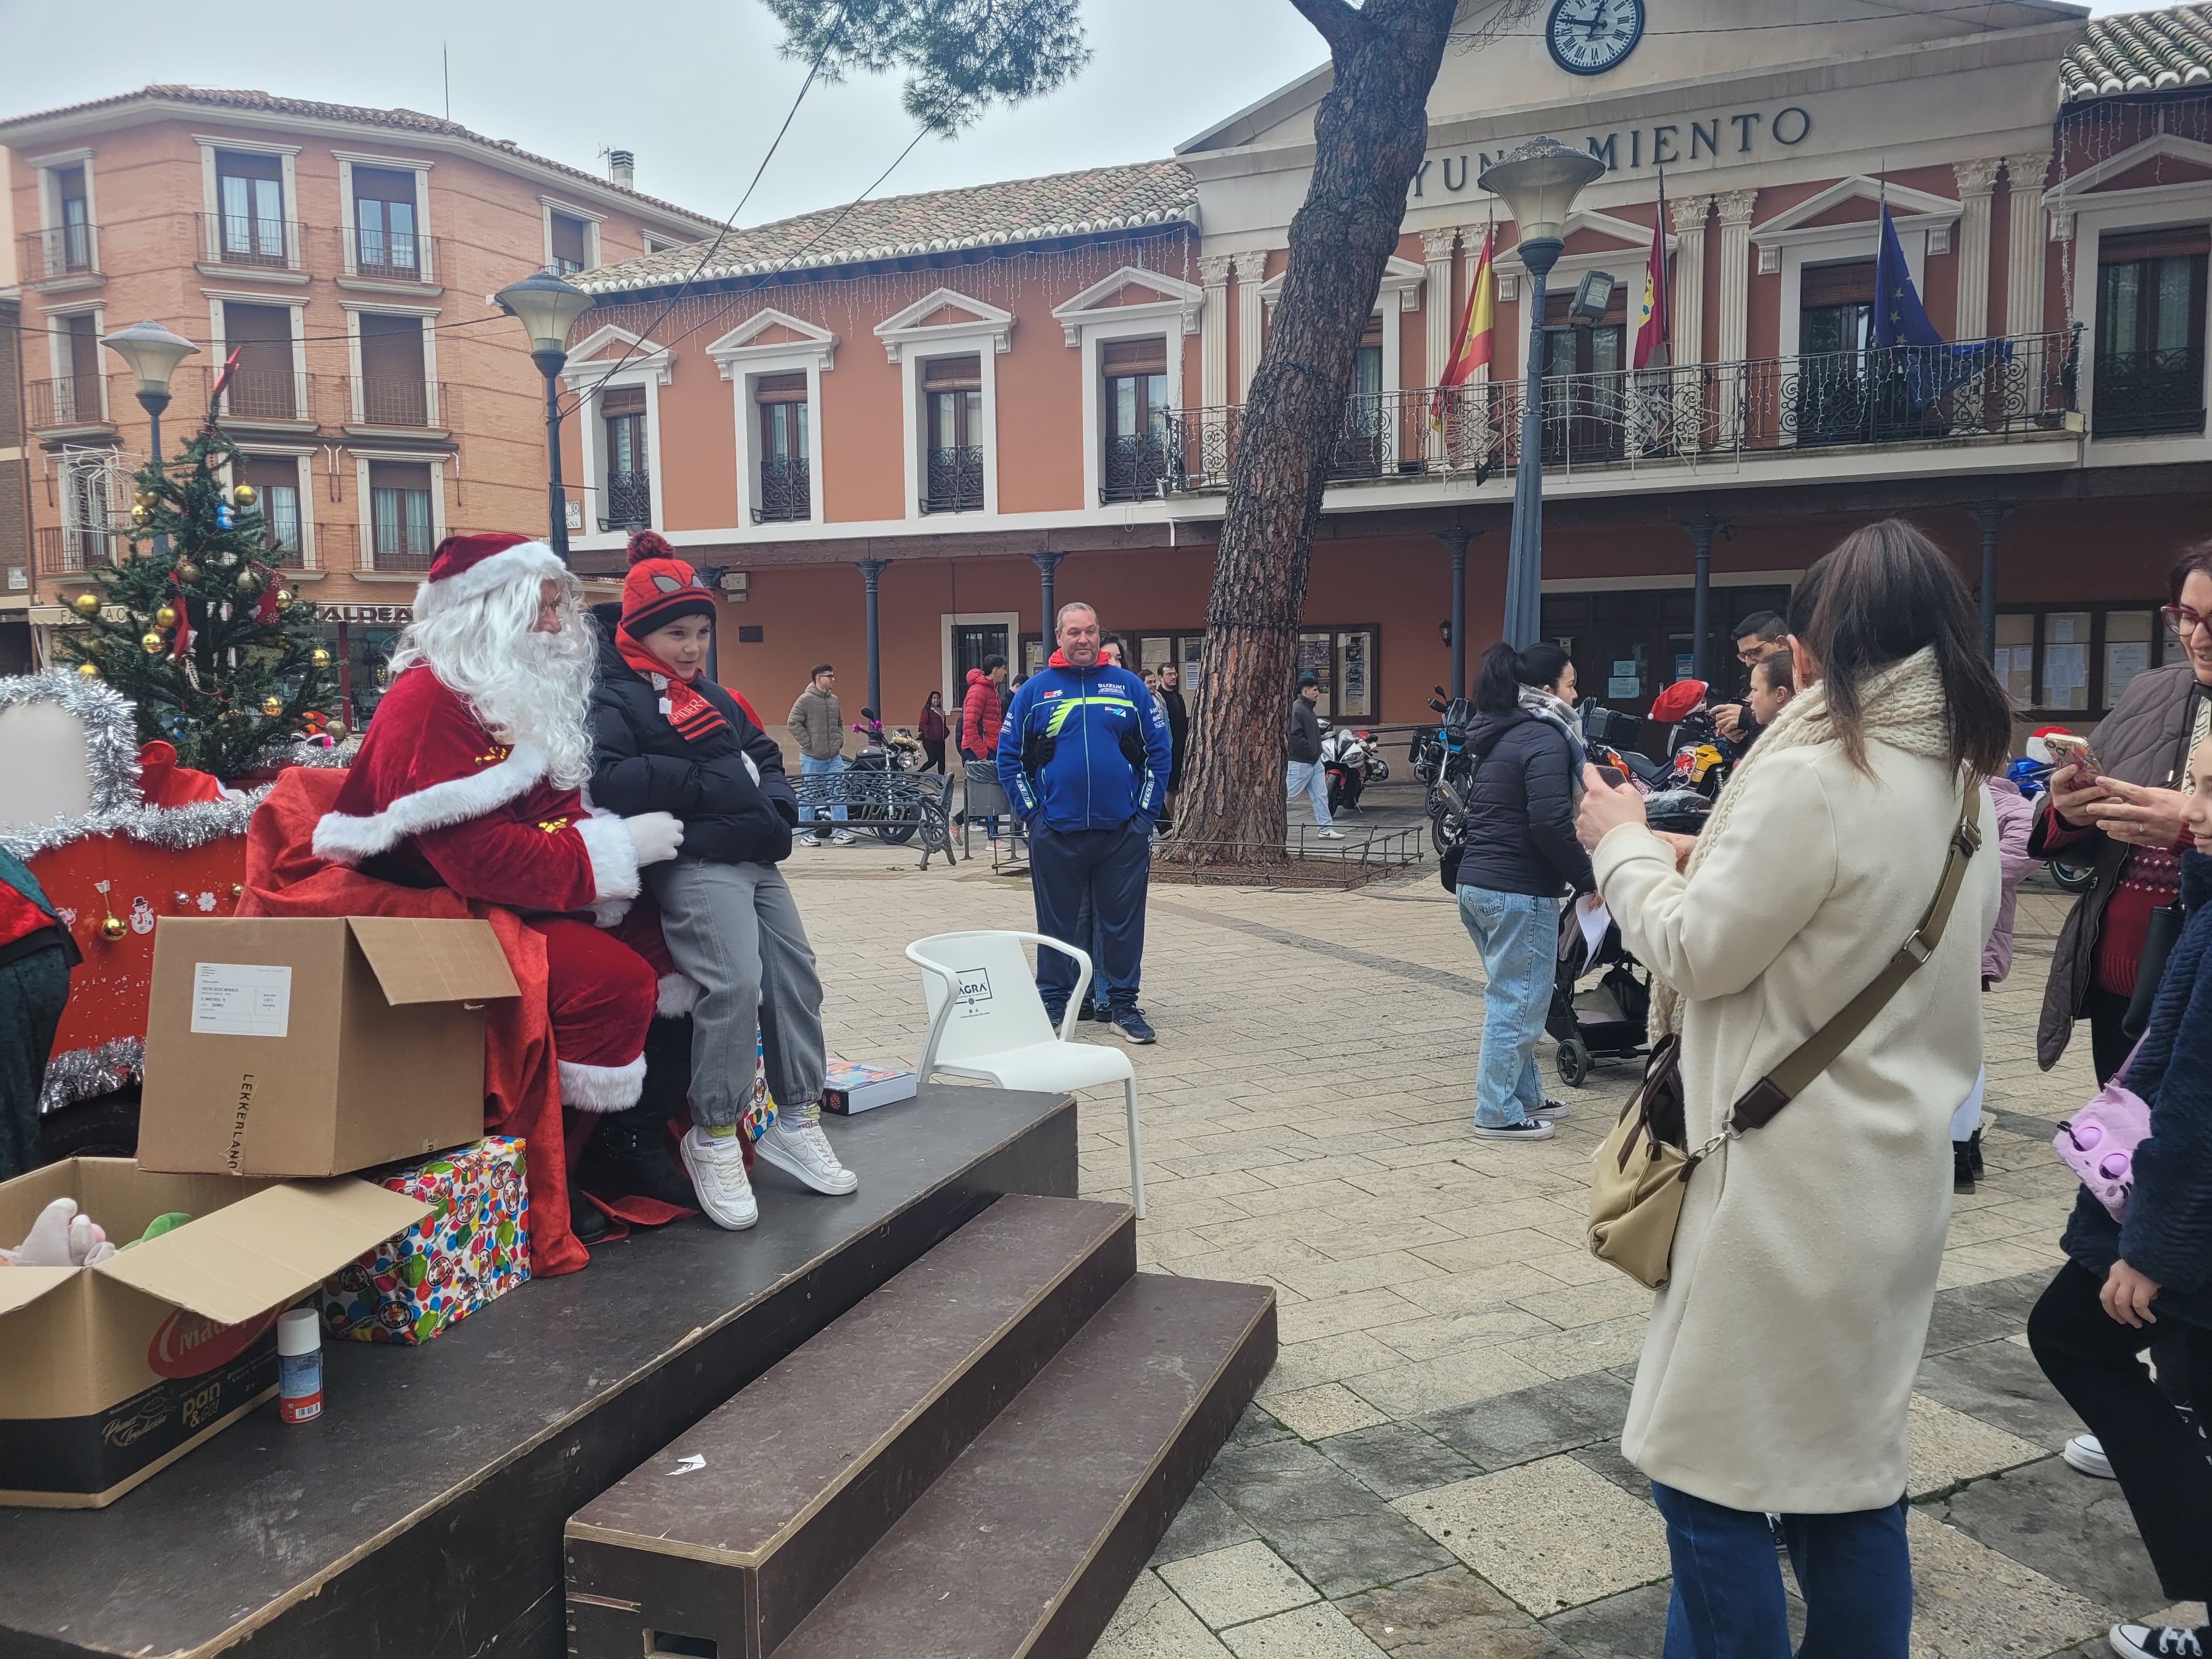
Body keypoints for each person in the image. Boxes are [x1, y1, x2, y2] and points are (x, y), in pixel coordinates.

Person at [1572, 520, 2007, 1659]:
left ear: (1821, 647)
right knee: (1845, 1483)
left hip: (1777, 1186)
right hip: (1892, 1184)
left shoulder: (1819, 771)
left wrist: (1622, 844)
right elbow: (1832, 924)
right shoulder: (1961, 787)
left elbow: (1702, 954)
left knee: (1705, 1482)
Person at [307, 531, 681, 1263]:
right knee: (614, 983)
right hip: (432, 902)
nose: (557, 625)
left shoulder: (517, 691)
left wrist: (605, 864)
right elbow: (478, 861)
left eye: (556, 607)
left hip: (521, 889)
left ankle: (629, 1138)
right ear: (489, 614)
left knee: (677, 946)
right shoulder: (429, 704)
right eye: (540, 609)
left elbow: (555, 810)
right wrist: (611, 854)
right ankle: (553, 1169)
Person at [590, 537, 857, 1229]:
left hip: (754, 856)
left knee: (797, 975)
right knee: (735, 983)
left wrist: (776, 810)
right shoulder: (612, 695)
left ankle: (797, 1117)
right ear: (640, 630)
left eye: (702, 632)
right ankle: (712, 1135)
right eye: (677, 632)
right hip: (696, 861)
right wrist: (713, 787)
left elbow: (764, 755)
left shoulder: (718, 695)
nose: (692, 646)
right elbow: (611, 777)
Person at [2027, 735, 2212, 1659]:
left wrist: (2150, 1240)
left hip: (2180, 1201)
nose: (2186, 809)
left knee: (2071, 1333)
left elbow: (2196, 1093)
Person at [2034, 542, 2212, 1081]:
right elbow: (2058, 829)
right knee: (2118, 1148)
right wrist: (2069, 810)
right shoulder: (2147, 693)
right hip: (2120, 982)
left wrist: (2185, 830)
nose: (2198, 638)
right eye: (2187, 616)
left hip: (2198, 985)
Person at [997, 601, 1171, 1043]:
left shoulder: (1128, 687)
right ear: (1059, 637)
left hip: (1121, 832)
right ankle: (1054, 1005)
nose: (1083, 640)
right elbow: (1009, 759)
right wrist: (1034, 815)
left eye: (1090, 631)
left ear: (1099, 635)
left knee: (1123, 923)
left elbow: (1159, 753)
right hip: (1056, 830)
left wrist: (1145, 815)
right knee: (1057, 924)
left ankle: (1123, 1006)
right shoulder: (1035, 691)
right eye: (1074, 632)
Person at [1455, 642, 1592, 1143]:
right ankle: (1496, 1111)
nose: (1576, 695)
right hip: (1518, 891)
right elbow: (1550, 824)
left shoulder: (1502, 732)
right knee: (1519, 1002)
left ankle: (1525, 1096)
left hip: (1479, 884)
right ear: (1547, 689)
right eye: (1571, 684)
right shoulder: (1547, 737)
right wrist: (1589, 879)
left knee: (1516, 996)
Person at [0, 847, 77, 1181]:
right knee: (16, 1108)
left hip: (14, 962)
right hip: (40, 953)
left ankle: (17, 1208)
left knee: (10, 1115)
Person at [788, 663, 854, 848]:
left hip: (834, 757)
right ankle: (806, 834)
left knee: (839, 792)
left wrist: (839, 741)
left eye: (833, 676)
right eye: (829, 676)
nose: (833, 679)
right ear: (819, 679)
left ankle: (841, 833)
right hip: (812, 757)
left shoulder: (834, 700)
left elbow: (840, 723)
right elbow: (793, 723)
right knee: (809, 795)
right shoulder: (805, 700)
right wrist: (808, 743)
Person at [1712, 610, 1793, 745]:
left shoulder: (1809, 673)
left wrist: (1747, 718)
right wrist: (1739, 738)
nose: (1749, 662)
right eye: (1744, 656)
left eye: (1754, 652)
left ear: (1782, 643)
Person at [1287, 672, 1346, 839]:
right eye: (1314, 690)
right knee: (1287, 797)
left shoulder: (1307, 709)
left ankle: (1326, 829)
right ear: (1305, 692)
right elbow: (1294, 737)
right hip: (1300, 763)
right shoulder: (1298, 709)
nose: (1317, 692)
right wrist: (1311, 750)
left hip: (1315, 762)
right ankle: (1264, 822)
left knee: (1321, 796)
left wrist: (1315, 753)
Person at [961, 654, 1009, 844]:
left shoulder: (992, 690)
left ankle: (957, 822)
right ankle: (993, 838)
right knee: (990, 793)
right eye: (1004, 668)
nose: (1006, 672)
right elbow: (969, 725)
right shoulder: (979, 691)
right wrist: (982, 753)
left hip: (991, 746)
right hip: (982, 748)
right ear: (995, 670)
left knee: (993, 792)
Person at [1157, 661, 1189, 829]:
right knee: (1169, 787)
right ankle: (1168, 821)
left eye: (1175, 673)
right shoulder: (1159, 698)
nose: (1173, 677)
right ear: (1161, 677)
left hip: (1181, 747)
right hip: (1167, 748)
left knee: (1177, 786)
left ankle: (1175, 818)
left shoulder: (1178, 696)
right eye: (1169, 674)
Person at [917, 691, 949, 774]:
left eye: (938, 698)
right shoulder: (927, 711)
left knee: (942, 762)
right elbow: (923, 724)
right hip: (930, 740)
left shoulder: (941, 711)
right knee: (933, 760)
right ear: (931, 699)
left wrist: (945, 733)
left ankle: (941, 781)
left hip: (940, 741)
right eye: (934, 698)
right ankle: (918, 773)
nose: (936, 700)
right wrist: (931, 734)